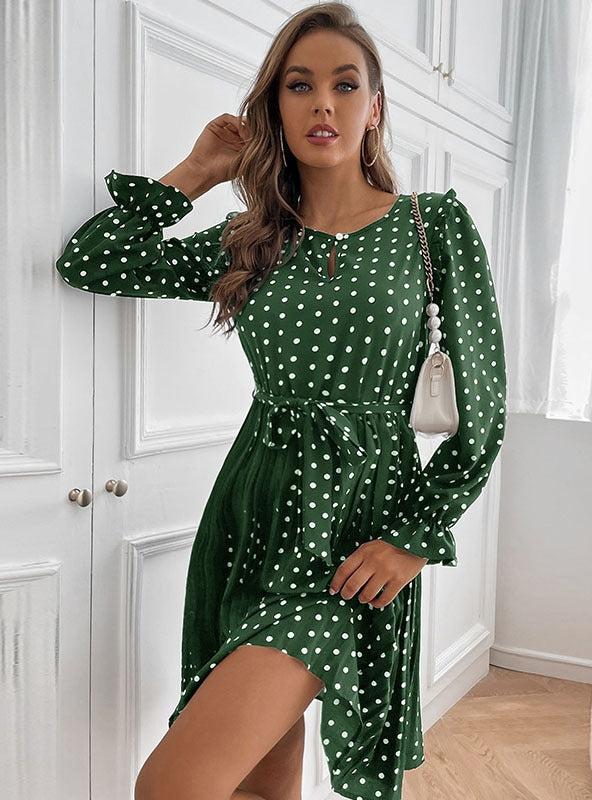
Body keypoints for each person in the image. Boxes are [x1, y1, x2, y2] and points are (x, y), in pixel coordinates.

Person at [55, 3, 507, 799]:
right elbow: (91, 261)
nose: (322, 103)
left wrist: (413, 539)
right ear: (275, 107)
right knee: (261, 783)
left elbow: (483, 413)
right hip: (252, 521)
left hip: (357, 537)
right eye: (299, 86)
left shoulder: (430, 226)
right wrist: (196, 172)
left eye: (344, 84)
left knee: (171, 786)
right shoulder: (251, 239)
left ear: (375, 108)